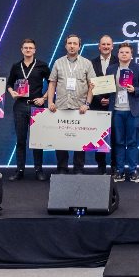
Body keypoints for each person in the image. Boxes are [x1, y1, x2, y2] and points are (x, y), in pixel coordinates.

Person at [46, 34, 96, 173]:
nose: (72, 46)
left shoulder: (87, 63)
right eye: (69, 43)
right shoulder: (58, 62)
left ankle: (78, 168)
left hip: (80, 108)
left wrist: (87, 104)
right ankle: (62, 168)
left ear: (79, 46)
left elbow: (92, 85)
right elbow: (52, 83)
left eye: (75, 43)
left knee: (79, 141)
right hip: (60, 107)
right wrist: (50, 102)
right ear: (65, 45)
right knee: (60, 140)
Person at [5, 38, 50, 180]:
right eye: (26, 47)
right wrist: (12, 92)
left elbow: (52, 84)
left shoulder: (42, 65)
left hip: (37, 105)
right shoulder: (16, 66)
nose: (28, 50)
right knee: (20, 140)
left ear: (34, 50)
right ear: (22, 50)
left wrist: (44, 98)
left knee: (38, 140)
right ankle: (19, 170)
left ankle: (38, 170)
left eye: (31, 48)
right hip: (20, 105)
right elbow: (9, 84)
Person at [110, 43, 139, 183]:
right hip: (117, 111)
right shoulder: (111, 68)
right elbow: (107, 88)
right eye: (121, 52)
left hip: (133, 111)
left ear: (131, 55)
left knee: (132, 142)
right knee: (119, 142)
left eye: (127, 52)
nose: (124, 54)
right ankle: (119, 171)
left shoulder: (138, 68)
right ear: (118, 54)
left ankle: (133, 171)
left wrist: (135, 90)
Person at [89, 34, 118, 174]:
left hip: (115, 104)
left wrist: (110, 99)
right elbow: (88, 84)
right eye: (103, 44)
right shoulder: (91, 63)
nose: (106, 46)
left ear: (112, 46)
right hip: (97, 104)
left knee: (115, 137)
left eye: (108, 44)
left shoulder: (119, 61)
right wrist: (99, 99)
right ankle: (101, 165)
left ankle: (115, 165)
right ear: (99, 47)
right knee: (99, 137)